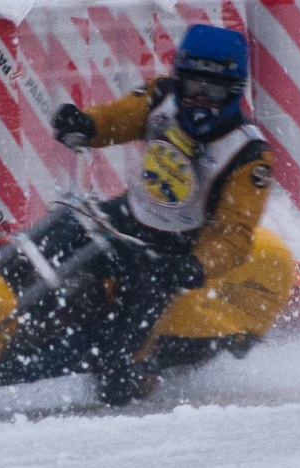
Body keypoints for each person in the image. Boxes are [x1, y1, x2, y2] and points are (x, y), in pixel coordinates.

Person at [40, 23, 281, 405]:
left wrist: (195, 266)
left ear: (233, 91)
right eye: (192, 86)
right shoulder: (161, 99)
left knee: (116, 372)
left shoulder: (249, 155)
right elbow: (121, 117)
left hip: (173, 252)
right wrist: (87, 125)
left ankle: (136, 379)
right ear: (178, 80)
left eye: (212, 90)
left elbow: (235, 234)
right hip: (127, 216)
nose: (199, 99)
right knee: (56, 237)